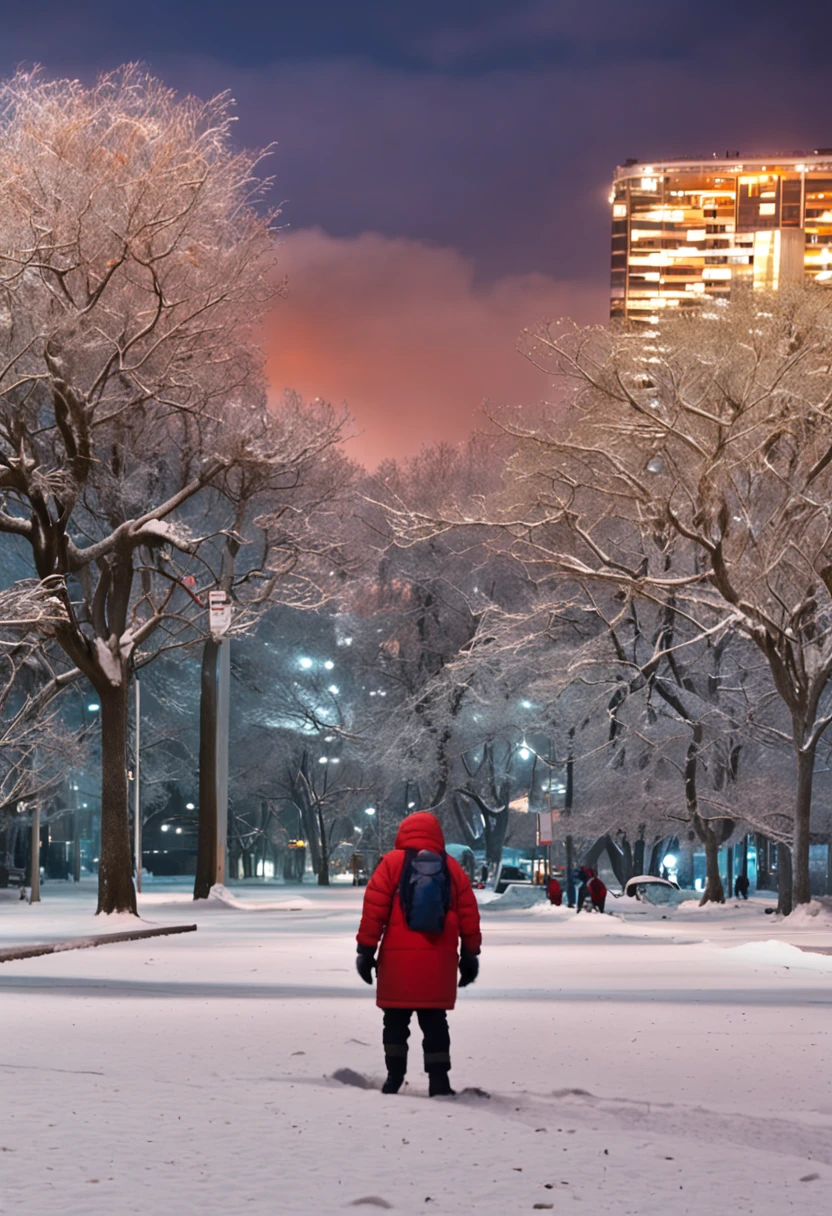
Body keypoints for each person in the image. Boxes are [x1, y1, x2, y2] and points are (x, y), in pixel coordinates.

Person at [355, 811, 482, 1097]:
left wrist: (366, 950)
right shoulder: (452, 868)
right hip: (439, 961)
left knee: (395, 1023)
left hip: (397, 963)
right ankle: (439, 1080)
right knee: (435, 1023)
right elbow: (469, 914)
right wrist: (470, 955)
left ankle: (393, 1078)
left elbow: (374, 911)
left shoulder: (391, 864)